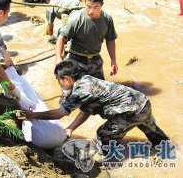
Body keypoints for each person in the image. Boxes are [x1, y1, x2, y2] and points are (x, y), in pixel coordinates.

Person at [20, 60, 169, 157]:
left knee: (103, 135)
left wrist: (33, 115)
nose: (59, 84)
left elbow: (59, 113)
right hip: (143, 103)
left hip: (130, 111)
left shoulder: (79, 91)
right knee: (157, 137)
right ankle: (170, 153)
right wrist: (71, 128)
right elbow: (87, 110)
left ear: (67, 79)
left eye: (59, 81)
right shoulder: (87, 79)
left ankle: (111, 164)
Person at [56, 0, 118, 80]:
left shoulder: (107, 19)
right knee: (73, 91)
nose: (91, 11)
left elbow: (110, 39)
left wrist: (113, 61)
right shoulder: (76, 19)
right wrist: (58, 58)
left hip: (95, 59)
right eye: (88, 6)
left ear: (102, 5)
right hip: (75, 59)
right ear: (84, 2)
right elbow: (61, 38)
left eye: (95, 7)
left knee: (100, 91)